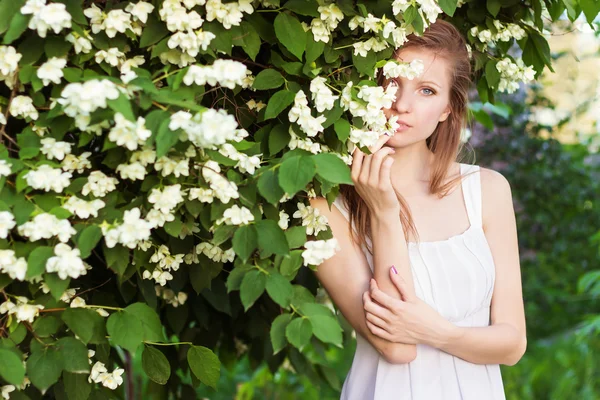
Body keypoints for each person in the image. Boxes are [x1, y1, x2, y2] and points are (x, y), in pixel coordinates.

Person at [309, 20, 526, 399]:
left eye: (427, 90)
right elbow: (396, 348)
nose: (402, 105)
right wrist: (383, 213)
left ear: (447, 109)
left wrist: (438, 332)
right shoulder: (324, 205)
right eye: (391, 82)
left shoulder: (487, 190)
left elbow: (511, 343)